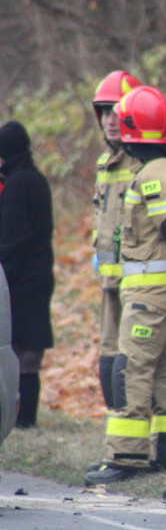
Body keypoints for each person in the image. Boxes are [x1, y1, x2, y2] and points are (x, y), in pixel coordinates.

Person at [85, 86, 166, 485]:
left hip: (150, 297)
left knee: (131, 369)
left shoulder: (153, 176)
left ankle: (126, 456)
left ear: (131, 131)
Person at [92, 70, 142, 410]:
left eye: (117, 111)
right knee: (108, 362)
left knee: (133, 365)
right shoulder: (104, 164)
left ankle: (141, 443)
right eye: (104, 112)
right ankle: (118, 440)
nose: (111, 120)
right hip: (111, 283)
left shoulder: (145, 161)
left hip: (140, 284)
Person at [0, 121, 55, 428]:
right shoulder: (34, 179)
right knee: (27, 352)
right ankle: (24, 420)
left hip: (21, 282)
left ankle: (23, 421)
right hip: (37, 276)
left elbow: (12, 240)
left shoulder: (18, 186)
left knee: (21, 352)